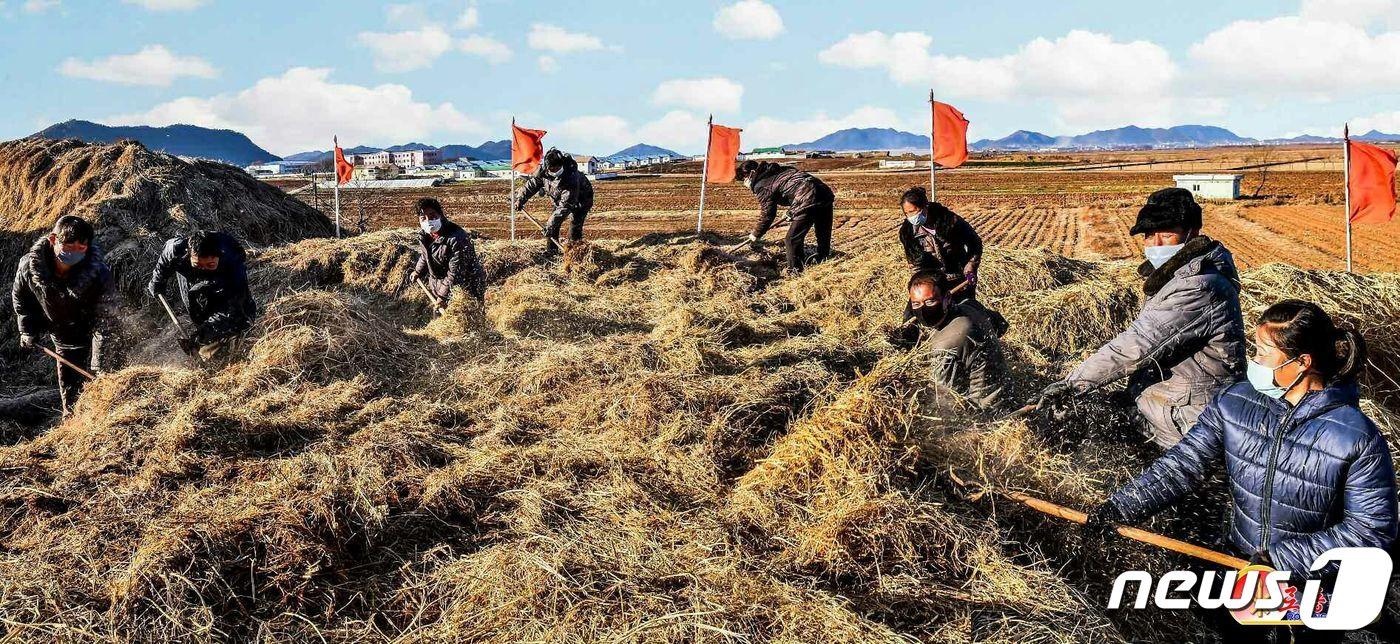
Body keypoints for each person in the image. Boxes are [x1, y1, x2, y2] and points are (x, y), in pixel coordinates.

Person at [1086, 301, 1397, 642]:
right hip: (1242, 567)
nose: (1255, 362)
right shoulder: (1235, 402)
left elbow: (1370, 531)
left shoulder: (1355, 437)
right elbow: (1184, 464)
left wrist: (1281, 559)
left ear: (1302, 364)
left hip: (1311, 587)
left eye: (1263, 353)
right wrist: (1123, 506)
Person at [1039, 187, 1245, 448]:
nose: (1156, 245)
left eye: (1167, 235)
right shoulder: (1173, 277)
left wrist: (1072, 385)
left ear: (1193, 233)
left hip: (1191, 424)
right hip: (1167, 403)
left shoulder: (1200, 286)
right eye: (1149, 236)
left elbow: (1138, 345)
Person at [11, 215, 118, 414]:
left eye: (82, 248)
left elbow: (106, 319)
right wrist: (26, 330)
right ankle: (71, 418)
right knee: (70, 389)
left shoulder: (98, 273)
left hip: (94, 332)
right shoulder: (30, 267)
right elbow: (22, 300)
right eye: (70, 247)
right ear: (53, 240)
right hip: (62, 335)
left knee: (104, 382)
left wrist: (100, 364)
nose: (76, 253)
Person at [890, 271, 1008, 411]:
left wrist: (906, 392)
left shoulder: (944, 345)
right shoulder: (970, 306)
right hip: (1006, 390)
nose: (923, 309)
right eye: (916, 304)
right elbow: (1001, 325)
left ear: (946, 297)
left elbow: (942, 398)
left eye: (930, 301)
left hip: (986, 410)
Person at [148, 229, 256, 361]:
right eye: (198, 264)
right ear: (189, 254)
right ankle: (205, 349)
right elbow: (164, 261)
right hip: (190, 280)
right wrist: (158, 282)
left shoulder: (232, 262)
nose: (203, 268)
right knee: (197, 311)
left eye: (209, 265)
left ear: (219, 256)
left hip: (221, 282)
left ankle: (224, 347)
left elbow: (231, 309)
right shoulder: (176, 249)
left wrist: (201, 335)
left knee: (237, 319)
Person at [733, 159, 836, 274]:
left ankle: (795, 271)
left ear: (752, 173)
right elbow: (794, 186)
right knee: (823, 230)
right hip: (824, 192)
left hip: (807, 197)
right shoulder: (776, 170)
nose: (745, 182)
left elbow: (768, 213)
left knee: (791, 239)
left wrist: (756, 233)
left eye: (744, 178)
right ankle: (824, 258)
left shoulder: (760, 185)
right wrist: (791, 211)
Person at [898, 186, 983, 303]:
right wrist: (919, 286)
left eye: (913, 211)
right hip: (932, 284)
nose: (911, 217)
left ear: (925, 206)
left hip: (958, 279)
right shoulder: (908, 233)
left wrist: (971, 265)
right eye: (907, 213)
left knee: (966, 310)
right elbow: (915, 264)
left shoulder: (950, 221)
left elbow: (975, 242)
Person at [514, 147, 594, 257]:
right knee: (553, 225)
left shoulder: (571, 177)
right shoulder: (543, 172)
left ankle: (574, 254)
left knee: (574, 225)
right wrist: (520, 199)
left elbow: (566, 205)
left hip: (581, 199)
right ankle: (552, 252)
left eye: (557, 168)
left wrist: (550, 226)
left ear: (562, 165)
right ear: (547, 168)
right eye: (552, 169)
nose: (555, 171)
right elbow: (532, 185)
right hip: (559, 199)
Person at [409, 197, 485, 311]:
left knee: (464, 320)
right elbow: (426, 255)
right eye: (423, 218)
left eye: (432, 215)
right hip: (440, 285)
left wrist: (443, 296)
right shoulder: (426, 236)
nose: (428, 221)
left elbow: (456, 272)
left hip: (464, 288)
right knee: (439, 318)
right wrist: (418, 271)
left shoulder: (457, 238)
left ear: (441, 215)